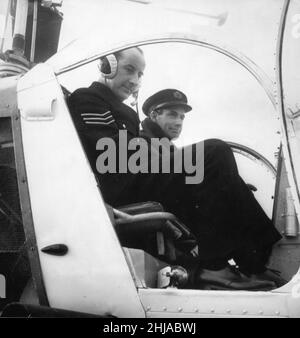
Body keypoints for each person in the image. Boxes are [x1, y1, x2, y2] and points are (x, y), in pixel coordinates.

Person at [68, 47, 284, 290]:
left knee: (223, 174)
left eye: (140, 74)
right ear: (106, 66)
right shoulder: (87, 98)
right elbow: (112, 151)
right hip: (121, 185)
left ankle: (254, 262)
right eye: (130, 69)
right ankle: (218, 265)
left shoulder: (125, 110)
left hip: (136, 177)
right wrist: (153, 150)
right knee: (214, 153)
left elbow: (132, 148)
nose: (134, 81)